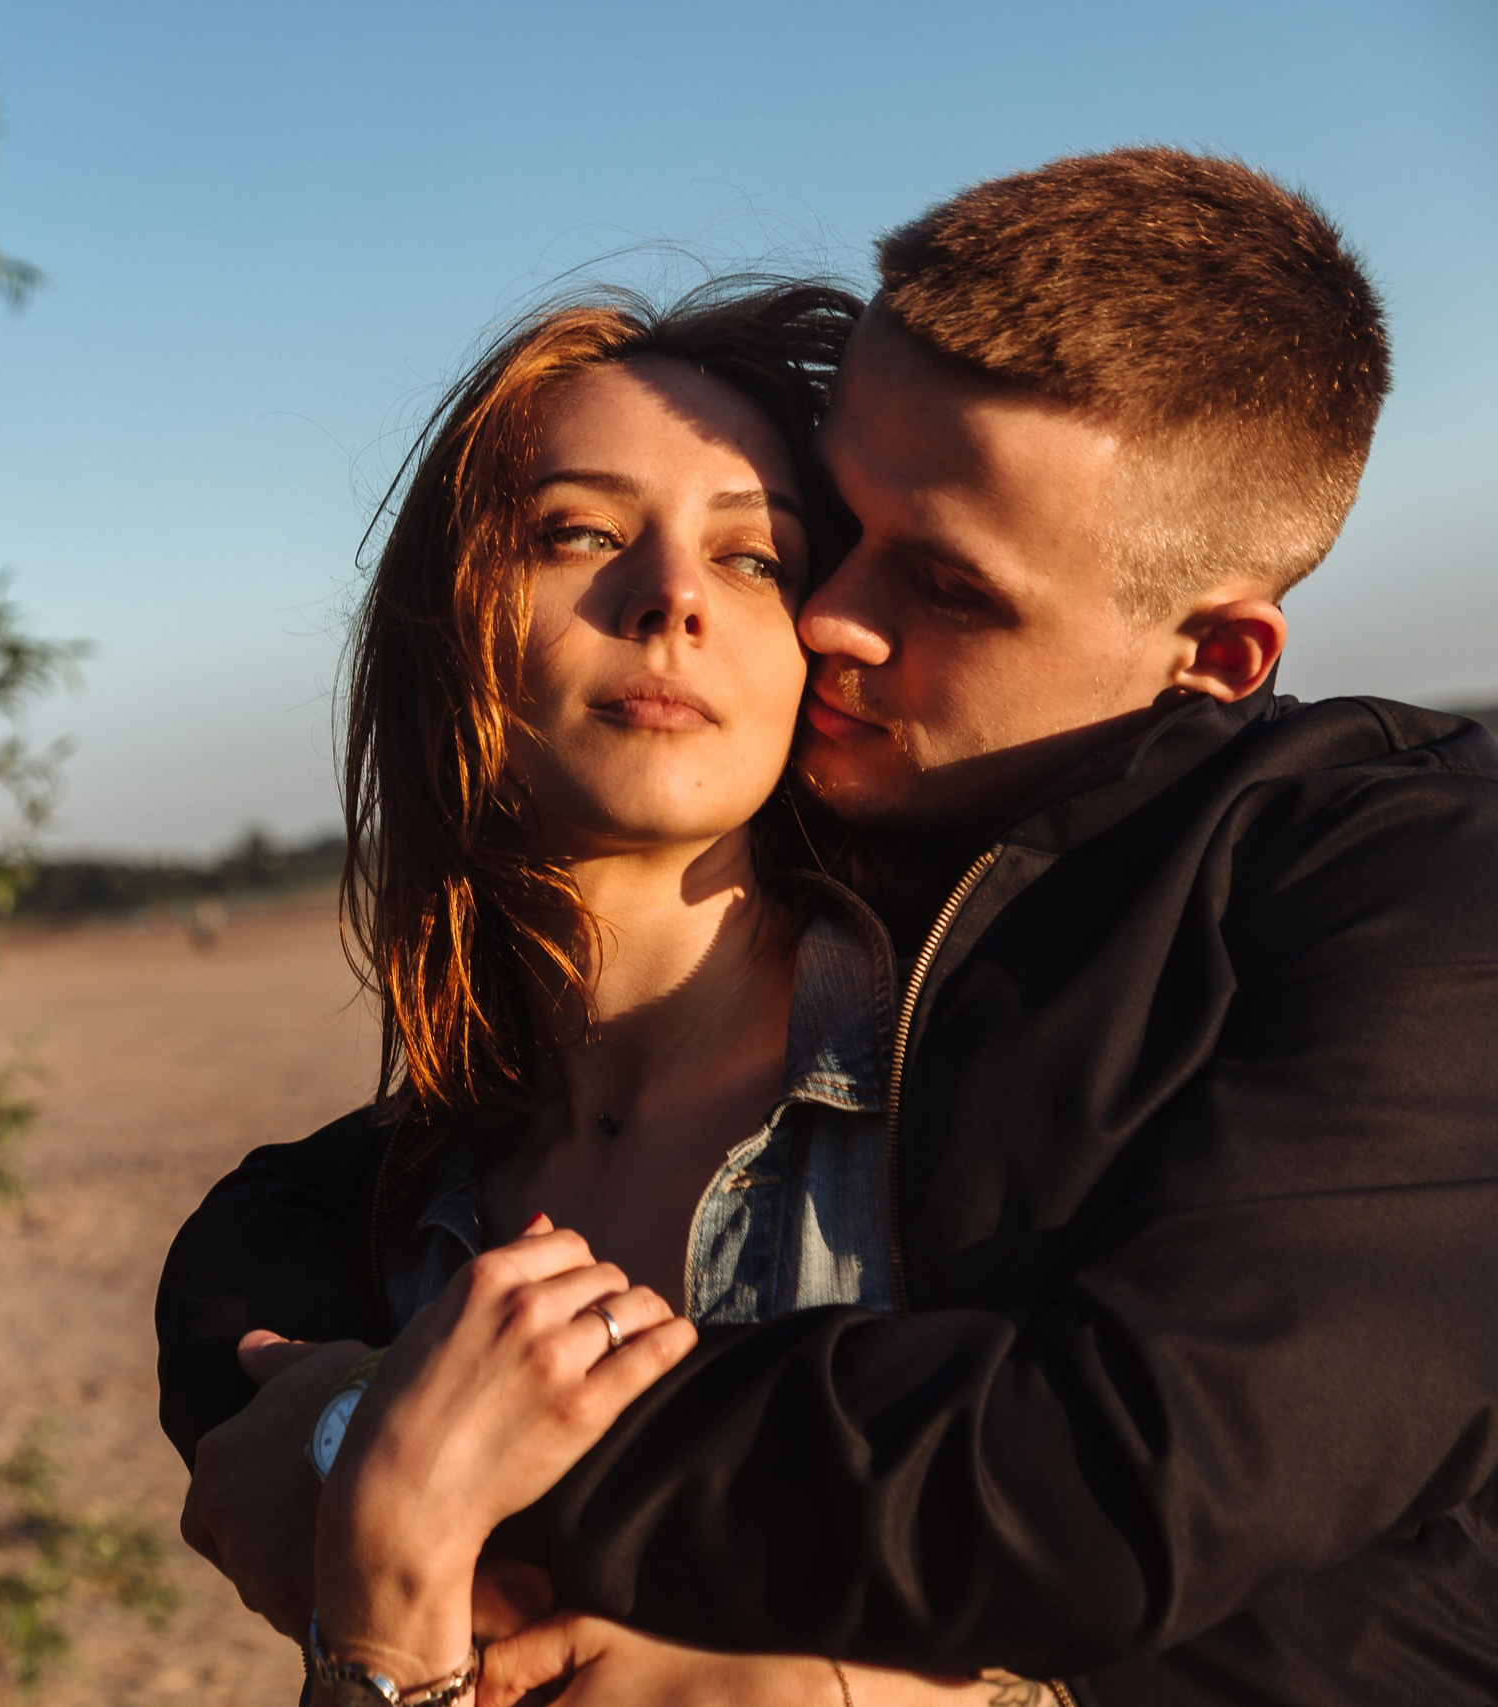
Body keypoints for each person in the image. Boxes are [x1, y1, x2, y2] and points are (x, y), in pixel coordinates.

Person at [159, 146, 1498, 1705]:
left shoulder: (1359, 908)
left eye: (931, 580)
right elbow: (291, 1224)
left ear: (1217, 653)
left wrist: (408, 1449)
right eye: (831, 527)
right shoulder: (414, 1194)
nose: (823, 615)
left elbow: (1133, 1488)